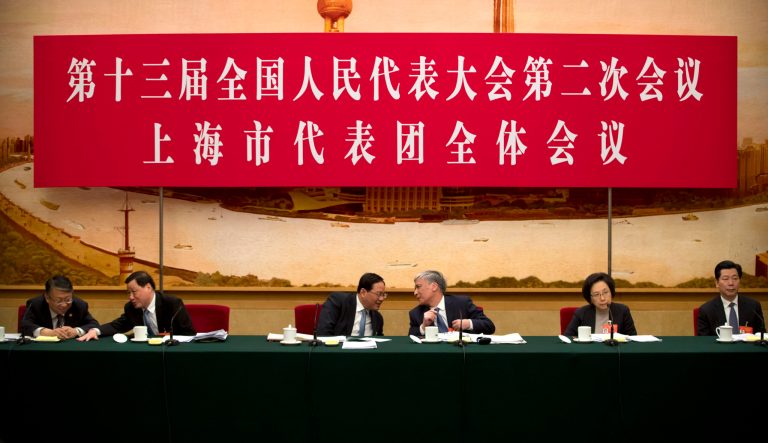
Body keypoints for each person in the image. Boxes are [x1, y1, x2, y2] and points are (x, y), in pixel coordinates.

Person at [78, 271, 195, 341]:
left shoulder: (172, 303)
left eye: (134, 292)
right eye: (128, 293)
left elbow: (188, 333)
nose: (130, 297)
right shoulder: (131, 308)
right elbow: (117, 325)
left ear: (148, 287)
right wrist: (95, 331)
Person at [408, 270, 495, 336]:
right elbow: (410, 338)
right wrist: (423, 327)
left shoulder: (462, 303)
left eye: (418, 287)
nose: (415, 293)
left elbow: (489, 326)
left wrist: (468, 323)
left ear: (434, 287)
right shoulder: (416, 313)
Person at [697, 260, 765, 336]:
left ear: (739, 281)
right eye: (725, 279)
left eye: (735, 278)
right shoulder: (706, 310)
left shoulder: (753, 306)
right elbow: (703, 342)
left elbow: (761, 336)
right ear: (717, 283)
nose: (731, 283)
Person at [20, 275, 99, 339]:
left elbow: (94, 325)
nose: (64, 305)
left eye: (68, 299)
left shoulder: (79, 305)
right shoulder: (36, 304)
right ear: (47, 298)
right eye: (59, 300)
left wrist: (76, 331)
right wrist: (45, 332)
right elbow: (25, 326)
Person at [564, 272, 637, 336]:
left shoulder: (622, 311)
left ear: (611, 292)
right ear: (590, 298)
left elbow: (632, 339)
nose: (602, 298)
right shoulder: (581, 313)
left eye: (605, 292)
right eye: (596, 294)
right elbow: (567, 338)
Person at [316, 272, 386, 336]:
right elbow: (323, 332)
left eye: (383, 295)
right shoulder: (338, 302)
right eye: (379, 294)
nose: (382, 298)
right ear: (363, 292)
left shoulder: (377, 318)